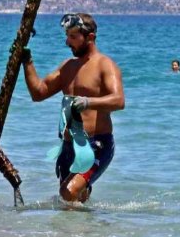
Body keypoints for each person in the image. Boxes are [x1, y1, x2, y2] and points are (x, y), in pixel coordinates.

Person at [22, 13, 125, 203]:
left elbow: (119, 100)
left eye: (73, 37)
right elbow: (38, 93)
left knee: (67, 193)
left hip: (96, 145)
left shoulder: (105, 65)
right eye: (67, 36)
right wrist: (26, 60)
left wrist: (88, 102)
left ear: (90, 37)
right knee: (77, 201)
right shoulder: (68, 66)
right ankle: (85, 232)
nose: (67, 42)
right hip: (69, 147)